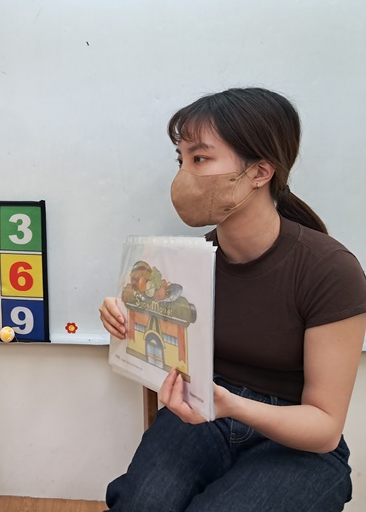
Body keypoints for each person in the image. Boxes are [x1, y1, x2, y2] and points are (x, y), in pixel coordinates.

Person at [99, 87, 366, 512]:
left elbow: (324, 429)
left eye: (200, 159)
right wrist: (126, 322)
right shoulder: (181, 264)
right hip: (204, 413)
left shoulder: (330, 270)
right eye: (181, 160)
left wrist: (231, 404)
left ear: (260, 172)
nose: (183, 175)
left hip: (295, 438)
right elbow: (167, 355)